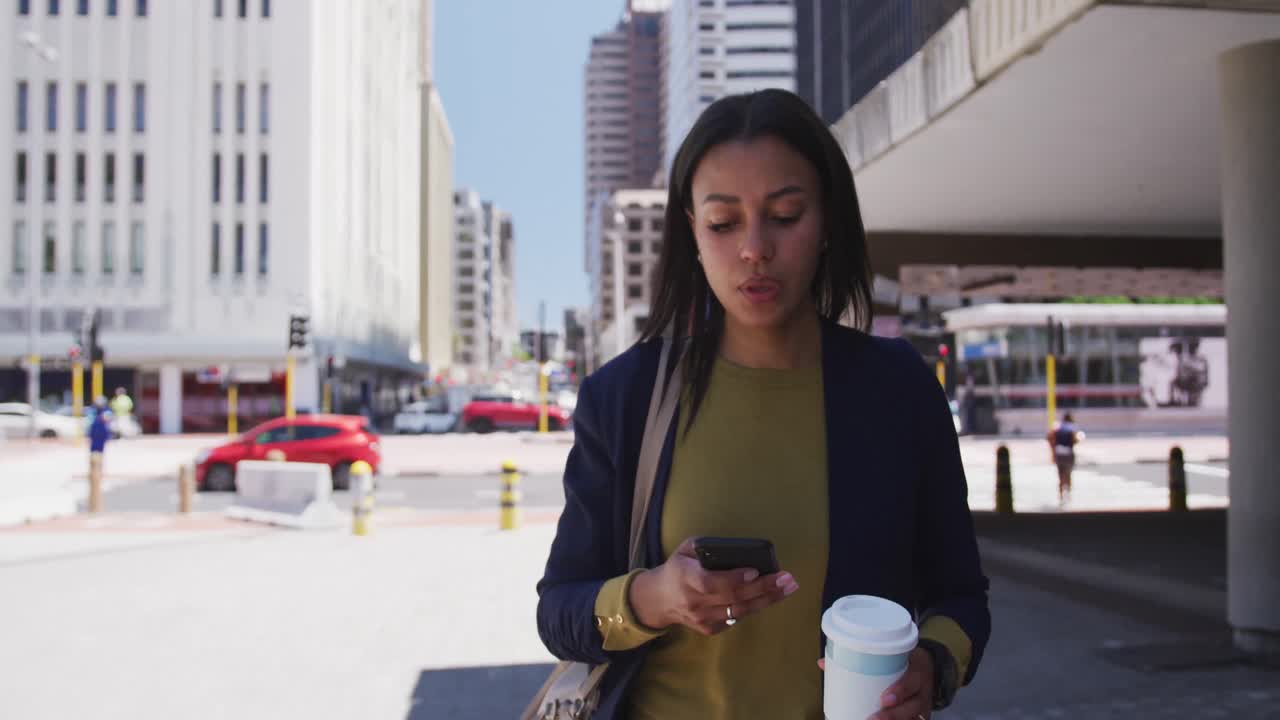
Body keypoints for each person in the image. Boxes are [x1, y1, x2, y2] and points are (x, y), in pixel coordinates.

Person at [536, 90, 990, 720]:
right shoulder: (627, 396)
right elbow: (559, 611)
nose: (754, 248)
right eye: (723, 222)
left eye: (785, 214)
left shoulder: (899, 390)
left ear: (827, 222)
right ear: (693, 233)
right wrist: (653, 597)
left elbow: (961, 596)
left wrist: (933, 663)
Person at [1047, 413, 1084, 506]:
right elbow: (1075, 439)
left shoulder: (1057, 427)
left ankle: (1061, 496)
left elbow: (1049, 437)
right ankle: (1068, 493)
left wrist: (1053, 452)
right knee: (1068, 475)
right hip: (1068, 454)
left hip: (1059, 454)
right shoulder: (1072, 427)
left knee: (1060, 476)